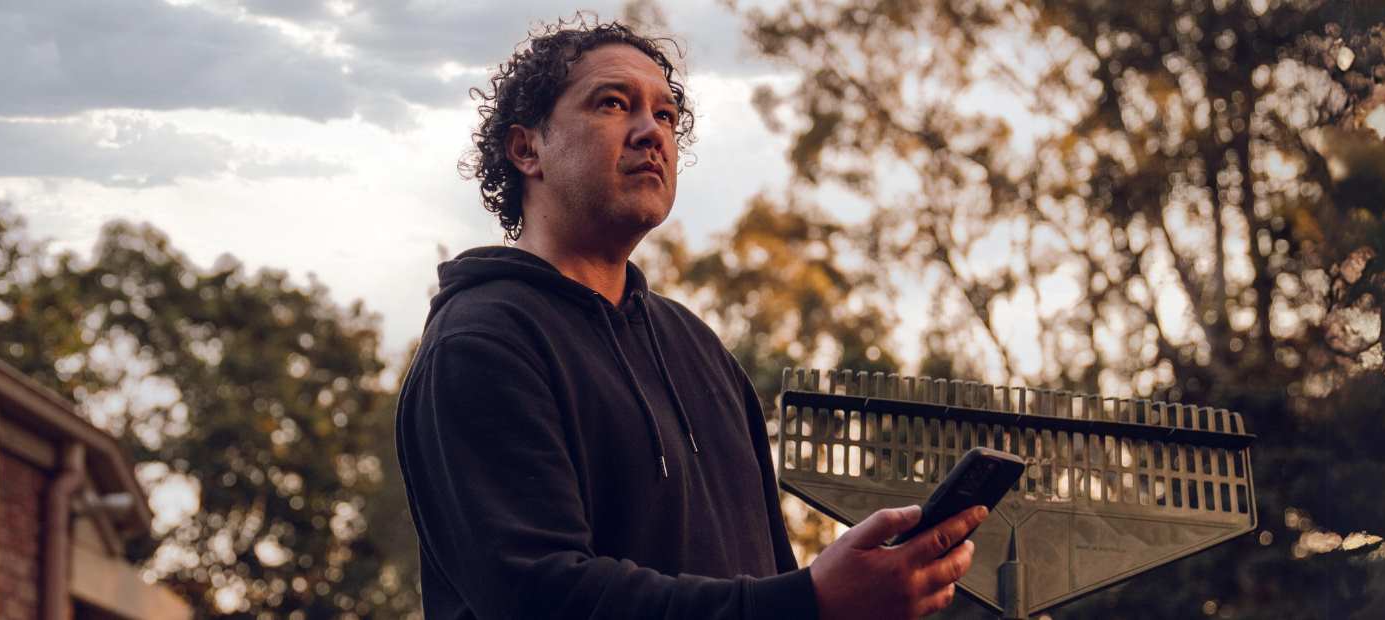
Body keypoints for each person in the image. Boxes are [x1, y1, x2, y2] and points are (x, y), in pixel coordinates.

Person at [395, 17, 986, 619]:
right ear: (527, 149)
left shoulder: (698, 349)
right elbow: (544, 598)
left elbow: (768, 577)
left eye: (667, 115)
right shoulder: (482, 342)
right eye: (613, 104)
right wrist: (807, 600)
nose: (651, 132)